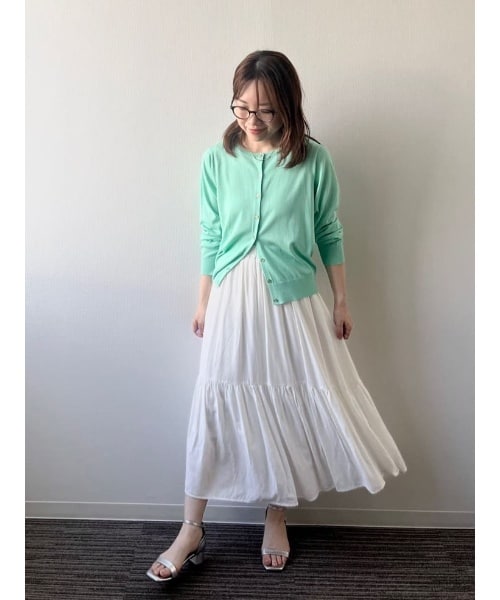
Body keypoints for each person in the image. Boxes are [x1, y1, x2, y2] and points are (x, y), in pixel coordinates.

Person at [147, 49, 407, 583]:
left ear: (287, 106)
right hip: (232, 297)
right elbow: (212, 235)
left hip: (291, 299)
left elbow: (329, 231)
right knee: (215, 403)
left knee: (287, 406)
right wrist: (204, 300)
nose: (251, 119)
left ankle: (276, 515)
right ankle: (191, 528)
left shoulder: (313, 160)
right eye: (242, 107)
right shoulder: (216, 160)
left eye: (265, 110)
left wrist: (341, 299)